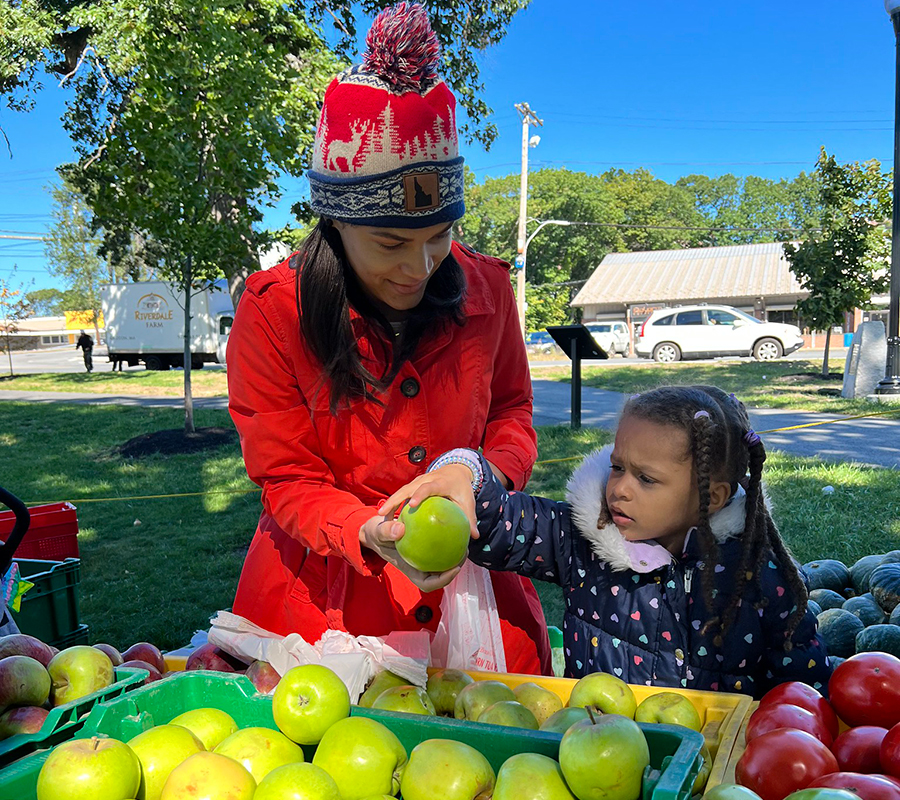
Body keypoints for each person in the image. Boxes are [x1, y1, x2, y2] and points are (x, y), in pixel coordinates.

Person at [226, 2, 550, 674]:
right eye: (392, 243)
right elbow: (287, 477)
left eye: (440, 236)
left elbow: (513, 414)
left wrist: (476, 469)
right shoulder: (273, 312)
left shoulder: (489, 289)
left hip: (476, 591)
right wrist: (363, 529)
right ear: (336, 224)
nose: (419, 267)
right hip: (322, 606)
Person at [381, 386, 833, 698]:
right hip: (593, 752)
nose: (620, 489)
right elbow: (501, 519)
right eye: (618, 466)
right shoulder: (583, 537)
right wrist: (463, 470)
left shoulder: (758, 572)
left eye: (646, 478)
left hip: (712, 769)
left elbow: (799, 687)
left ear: (710, 497)